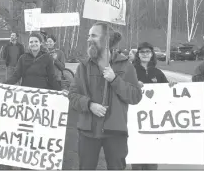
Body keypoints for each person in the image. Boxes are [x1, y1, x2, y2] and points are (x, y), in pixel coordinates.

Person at [68, 22, 142, 170]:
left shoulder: (125, 65)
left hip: (116, 131)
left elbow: (135, 96)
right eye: (89, 35)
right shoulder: (83, 66)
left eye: (94, 35)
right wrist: (89, 105)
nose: (89, 39)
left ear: (106, 39)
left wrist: (115, 80)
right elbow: (72, 95)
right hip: (88, 131)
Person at [130, 42, 172, 170]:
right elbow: (122, 87)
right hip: (135, 118)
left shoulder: (158, 72)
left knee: (152, 156)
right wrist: (134, 85)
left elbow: (167, 92)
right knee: (137, 154)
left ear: (152, 54)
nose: (145, 54)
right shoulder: (130, 70)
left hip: (154, 119)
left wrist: (172, 87)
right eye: (142, 52)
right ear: (138, 54)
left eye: (148, 51)